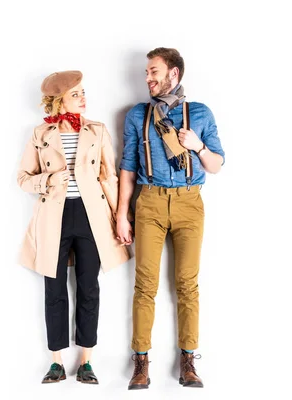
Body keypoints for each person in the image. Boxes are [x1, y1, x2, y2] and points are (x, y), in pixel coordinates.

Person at [116, 48, 225, 389]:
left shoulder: (201, 114)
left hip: (190, 203)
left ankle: (188, 361)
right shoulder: (138, 115)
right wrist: (122, 214)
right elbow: (128, 168)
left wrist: (197, 147)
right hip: (148, 202)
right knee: (144, 286)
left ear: (173, 74)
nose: (147, 78)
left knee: (187, 285)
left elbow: (217, 164)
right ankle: (141, 362)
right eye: (147, 73)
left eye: (153, 72)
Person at [17, 70, 130, 385]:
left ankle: (87, 362)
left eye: (83, 92)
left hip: (91, 216)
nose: (83, 98)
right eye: (76, 93)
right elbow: (23, 178)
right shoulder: (42, 133)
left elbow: (109, 176)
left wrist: (121, 216)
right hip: (53, 216)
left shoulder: (97, 130)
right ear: (60, 100)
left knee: (89, 287)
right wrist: (49, 180)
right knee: (53, 289)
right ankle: (56, 362)